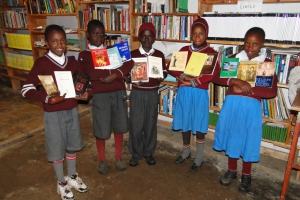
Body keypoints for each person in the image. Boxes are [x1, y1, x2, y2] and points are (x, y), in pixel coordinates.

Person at [167, 17, 251, 173]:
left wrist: (193, 81)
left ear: (206, 35)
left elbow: (211, 75)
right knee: (185, 123)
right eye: (195, 33)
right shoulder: (184, 50)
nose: (198, 37)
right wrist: (184, 76)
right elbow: (173, 68)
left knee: (199, 125)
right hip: (184, 93)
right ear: (191, 34)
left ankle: (199, 157)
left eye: (201, 33)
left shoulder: (211, 53)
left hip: (199, 93)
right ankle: (186, 151)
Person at [21, 24, 90, 200]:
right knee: (57, 148)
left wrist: (85, 94)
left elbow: (82, 85)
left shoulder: (73, 62)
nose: (59, 45)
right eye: (54, 41)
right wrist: (47, 99)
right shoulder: (42, 63)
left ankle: (72, 176)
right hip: (53, 114)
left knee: (72, 145)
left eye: (63, 41)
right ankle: (61, 182)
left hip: (72, 111)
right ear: (46, 43)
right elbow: (26, 88)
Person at [213, 27, 278, 193]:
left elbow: (270, 91)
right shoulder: (235, 58)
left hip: (251, 108)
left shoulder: (266, 64)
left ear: (262, 44)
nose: (249, 48)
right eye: (247, 43)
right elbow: (217, 78)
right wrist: (235, 80)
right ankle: (232, 170)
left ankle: (246, 175)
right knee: (232, 137)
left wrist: (243, 89)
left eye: (255, 44)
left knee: (249, 140)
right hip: (233, 106)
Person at [78, 20, 133, 175]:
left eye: (102, 34)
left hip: (118, 94)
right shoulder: (84, 55)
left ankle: (118, 157)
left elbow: (129, 63)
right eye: (95, 33)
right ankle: (101, 159)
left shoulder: (112, 50)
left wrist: (115, 74)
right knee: (101, 129)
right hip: (100, 97)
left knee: (120, 126)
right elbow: (88, 74)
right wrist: (109, 73)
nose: (99, 37)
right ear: (88, 35)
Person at [126, 22, 167, 167]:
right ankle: (135, 153)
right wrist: (133, 80)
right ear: (139, 38)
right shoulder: (133, 55)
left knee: (150, 125)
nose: (147, 39)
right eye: (144, 36)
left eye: (150, 37)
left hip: (152, 94)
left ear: (154, 38)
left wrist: (162, 75)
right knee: (136, 125)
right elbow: (126, 75)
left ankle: (148, 152)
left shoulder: (159, 55)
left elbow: (165, 72)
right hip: (137, 94)